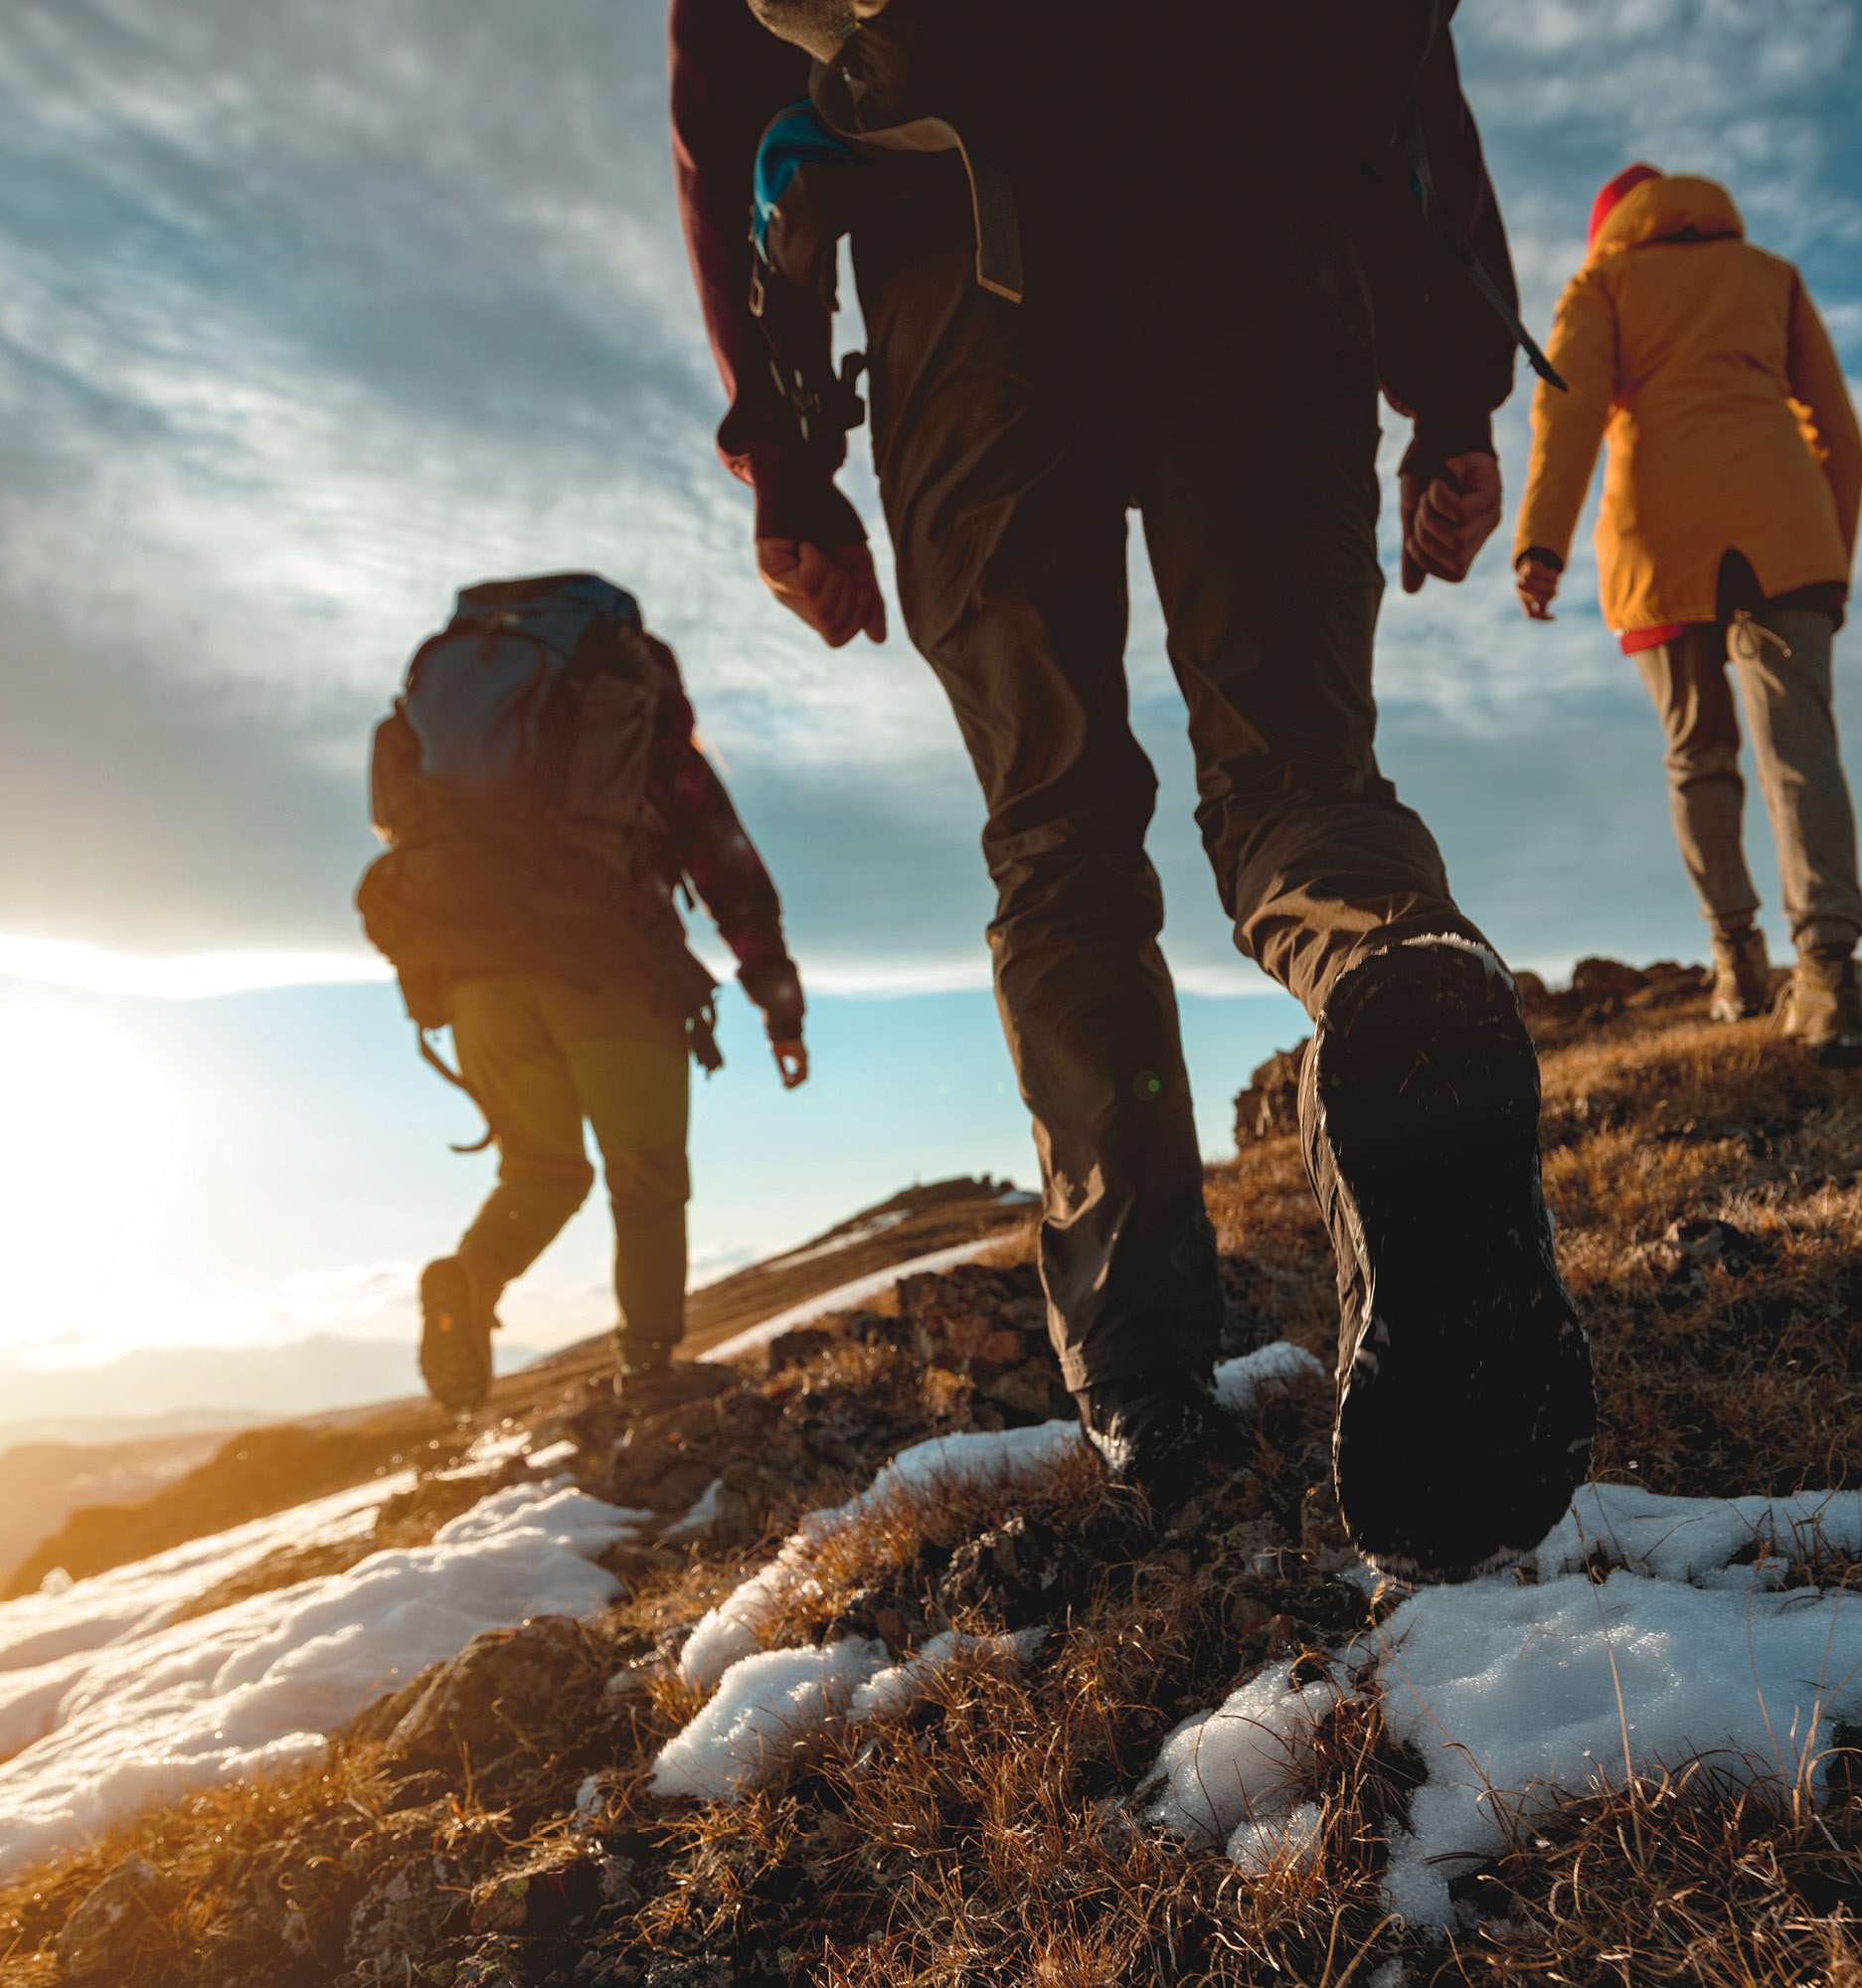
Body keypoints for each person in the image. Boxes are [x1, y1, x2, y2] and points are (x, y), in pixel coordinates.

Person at [662, 1, 1597, 1578]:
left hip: (959, 258)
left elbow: (722, 87)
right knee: (1297, 777)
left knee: (1057, 833)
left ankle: (1150, 1389)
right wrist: (1449, 401)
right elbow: (1409, 74)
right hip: (1272, 236)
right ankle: (1387, 968)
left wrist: (793, 458)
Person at [359, 573, 809, 1416]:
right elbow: (728, 870)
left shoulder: (460, 734)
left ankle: (470, 1275)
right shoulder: (642, 739)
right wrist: (779, 1006)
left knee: (540, 1169)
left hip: (479, 982)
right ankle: (648, 1370)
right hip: (608, 972)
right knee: (645, 1181)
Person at [1510, 168, 1862, 1068]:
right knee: (1800, 743)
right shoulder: (1769, 275)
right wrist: (1827, 562)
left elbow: (1570, 406)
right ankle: (1826, 977)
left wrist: (1541, 541)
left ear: (1608, 230)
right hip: (1786, 531)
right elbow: (1842, 437)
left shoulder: (1604, 284)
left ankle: (1738, 965)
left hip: (1659, 538)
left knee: (1696, 756)